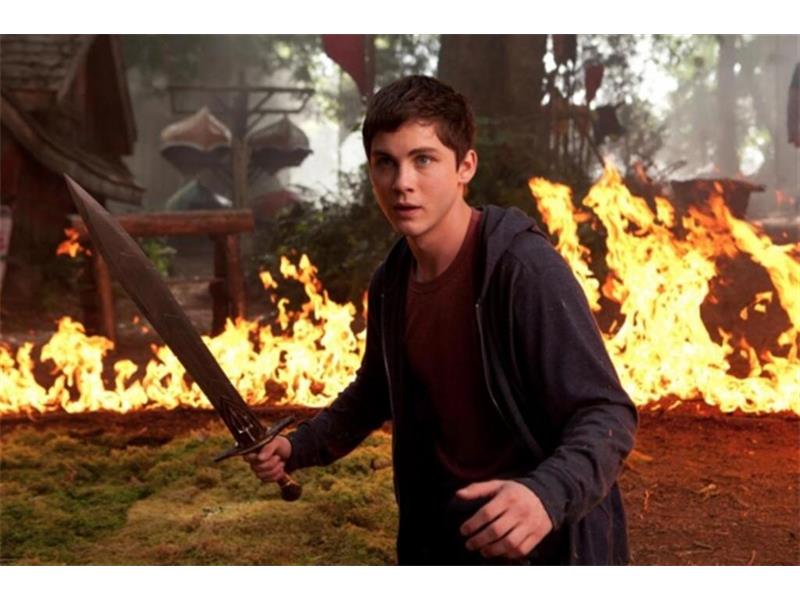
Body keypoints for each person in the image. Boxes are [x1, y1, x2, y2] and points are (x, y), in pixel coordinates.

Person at [244, 75, 638, 566]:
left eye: (424, 159)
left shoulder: (522, 271)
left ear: (465, 166)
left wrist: (546, 495)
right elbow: (375, 391)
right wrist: (297, 447)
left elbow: (607, 413)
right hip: (442, 538)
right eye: (385, 163)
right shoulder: (391, 282)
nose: (402, 183)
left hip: (543, 543)